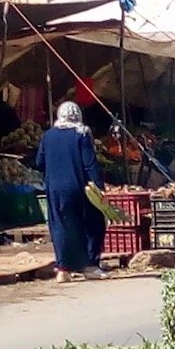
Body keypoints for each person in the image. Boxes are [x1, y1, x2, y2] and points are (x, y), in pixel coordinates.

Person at [35, 102, 109, 283]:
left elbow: (39, 162)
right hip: (79, 188)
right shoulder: (81, 134)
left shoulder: (48, 136)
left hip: (55, 190)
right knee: (92, 223)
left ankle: (63, 269)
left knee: (60, 226)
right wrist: (99, 188)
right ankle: (90, 265)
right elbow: (90, 164)